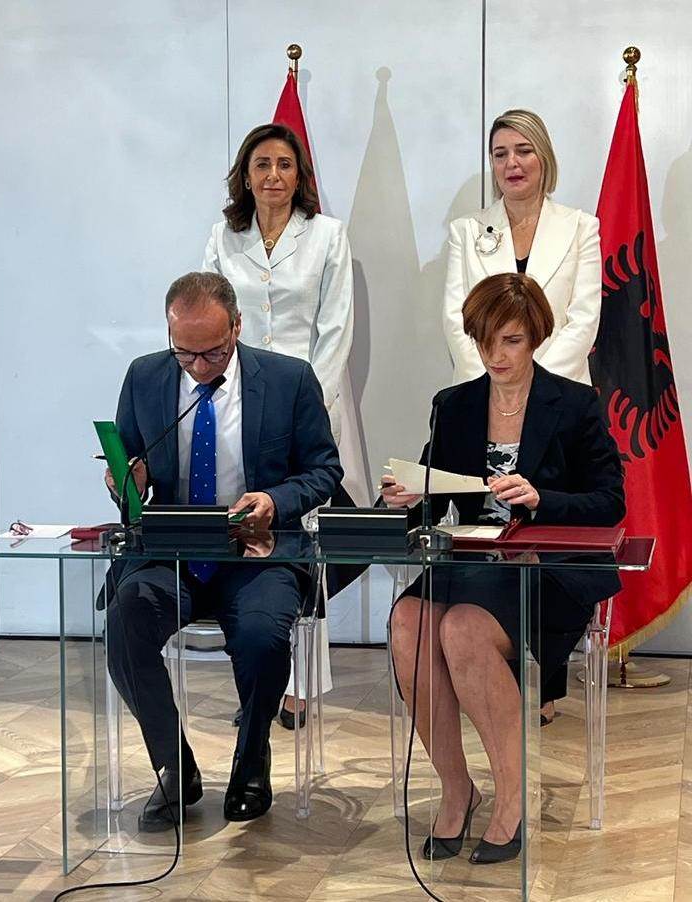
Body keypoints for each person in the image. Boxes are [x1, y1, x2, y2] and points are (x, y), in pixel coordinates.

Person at [384, 273, 624, 864]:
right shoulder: (454, 405)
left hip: (544, 569)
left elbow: (610, 501)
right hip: (470, 563)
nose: (496, 355)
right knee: (408, 623)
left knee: (462, 628)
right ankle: (457, 789)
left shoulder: (574, 405)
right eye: (485, 340)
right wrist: (408, 496)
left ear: (535, 337)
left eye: (511, 341)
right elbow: (435, 492)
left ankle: (512, 798)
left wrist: (542, 498)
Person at [105, 271, 342, 829]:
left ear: (236, 326)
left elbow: (325, 470)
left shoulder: (288, 379)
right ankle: (174, 765)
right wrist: (126, 481)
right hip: (174, 551)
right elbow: (127, 464)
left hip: (259, 548)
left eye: (211, 353)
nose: (198, 367)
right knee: (125, 620)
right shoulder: (144, 377)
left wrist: (276, 500)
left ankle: (252, 756)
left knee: (262, 636)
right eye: (184, 353)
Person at [442, 108, 602, 721]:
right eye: (500, 152)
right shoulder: (468, 231)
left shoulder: (580, 227)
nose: (512, 163)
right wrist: (496, 376)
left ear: (544, 157)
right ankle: (490, 670)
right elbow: (458, 320)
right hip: (488, 395)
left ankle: (548, 681)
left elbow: (583, 317)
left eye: (524, 151)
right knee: (487, 527)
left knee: (546, 528)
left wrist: (535, 380)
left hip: (558, 404)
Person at [203, 122, 354, 728]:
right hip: (236, 406)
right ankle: (255, 684)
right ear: (246, 175)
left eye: (284, 165)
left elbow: (335, 327)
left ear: (300, 175)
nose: (273, 176)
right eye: (262, 164)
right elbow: (208, 314)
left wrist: (308, 406)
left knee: (303, 544)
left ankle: (301, 689)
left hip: (303, 405)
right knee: (247, 539)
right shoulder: (223, 237)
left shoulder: (328, 236)